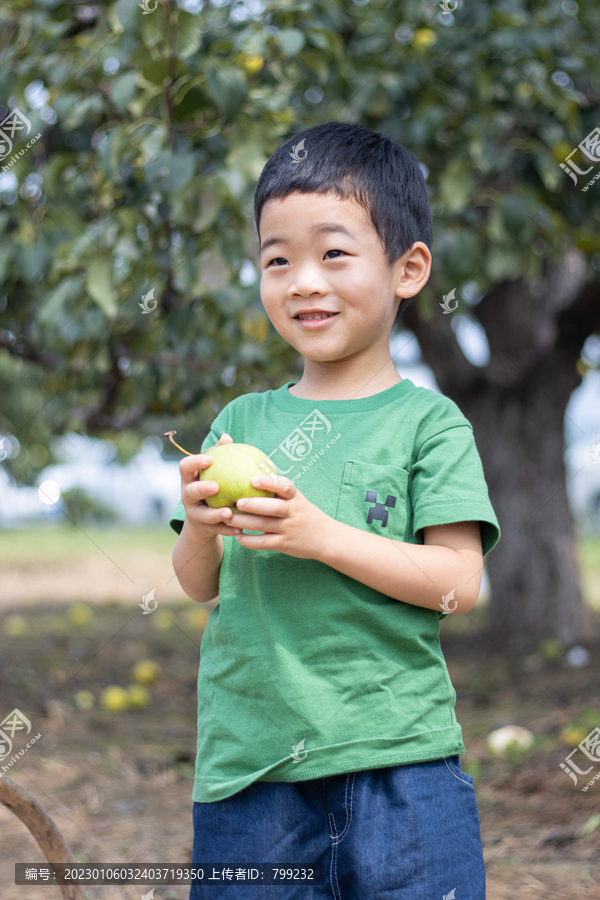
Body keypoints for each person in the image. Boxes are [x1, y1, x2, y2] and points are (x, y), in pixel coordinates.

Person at [169, 121, 501, 900]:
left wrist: (322, 537)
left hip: (400, 763)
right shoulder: (239, 425)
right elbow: (195, 584)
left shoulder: (430, 425)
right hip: (252, 770)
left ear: (409, 269)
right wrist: (201, 529)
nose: (303, 282)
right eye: (276, 259)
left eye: (334, 254)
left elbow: (459, 583)